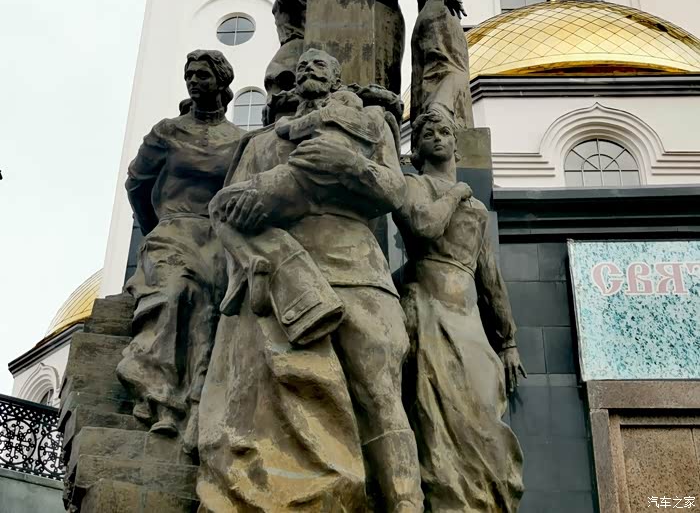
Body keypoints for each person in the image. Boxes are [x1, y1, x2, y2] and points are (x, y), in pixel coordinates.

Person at [198, 49, 423, 513]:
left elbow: (395, 192)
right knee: (279, 398)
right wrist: (256, 205)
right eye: (301, 68)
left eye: (319, 65)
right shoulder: (261, 143)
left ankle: (406, 502)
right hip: (284, 276)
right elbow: (226, 208)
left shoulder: (370, 125)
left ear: (338, 77)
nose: (307, 70)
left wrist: (349, 166)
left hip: (358, 268)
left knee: (380, 394)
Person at [395, 107, 525, 512]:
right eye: (427, 134)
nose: (437, 137)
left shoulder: (478, 211)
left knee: (482, 408)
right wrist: (455, 193)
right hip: (429, 307)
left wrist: (508, 341)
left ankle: (484, 499)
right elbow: (423, 226)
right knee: (435, 414)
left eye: (444, 132)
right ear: (416, 149)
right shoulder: (413, 185)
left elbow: (491, 279)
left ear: (456, 144)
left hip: (468, 317)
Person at [116, 50, 243, 453]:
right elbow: (136, 183)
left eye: (202, 75)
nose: (193, 81)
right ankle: (160, 398)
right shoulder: (167, 132)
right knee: (174, 293)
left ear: (221, 82)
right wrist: (153, 229)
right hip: (172, 230)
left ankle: (198, 402)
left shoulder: (239, 141)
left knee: (212, 308)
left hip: (216, 236)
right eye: (190, 75)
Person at [410, 0, 472, 132]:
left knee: (432, 71)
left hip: (427, 13)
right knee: (452, 68)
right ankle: (441, 113)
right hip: (442, 8)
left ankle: (429, 120)